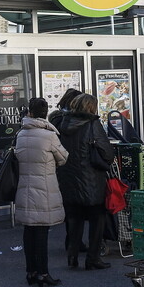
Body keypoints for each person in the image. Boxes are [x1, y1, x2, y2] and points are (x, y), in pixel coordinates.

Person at [57, 94, 114, 270]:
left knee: (74, 219)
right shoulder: (92, 124)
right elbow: (106, 152)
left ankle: (72, 257)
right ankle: (93, 258)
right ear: (91, 107)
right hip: (91, 179)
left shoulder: (63, 123)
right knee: (97, 218)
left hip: (68, 177)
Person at [15, 98, 68, 287]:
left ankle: (31, 271)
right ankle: (43, 273)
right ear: (45, 113)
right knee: (42, 232)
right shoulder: (49, 136)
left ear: (29, 112)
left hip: (25, 187)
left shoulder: (21, 134)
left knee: (29, 231)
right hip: (44, 188)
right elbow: (63, 158)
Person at [48, 88, 87, 253]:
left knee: (71, 207)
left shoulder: (55, 118)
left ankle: (73, 241)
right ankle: (74, 243)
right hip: (71, 165)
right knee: (74, 207)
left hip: (61, 167)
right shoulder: (68, 120)